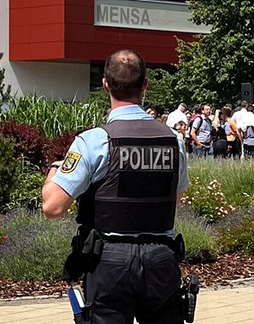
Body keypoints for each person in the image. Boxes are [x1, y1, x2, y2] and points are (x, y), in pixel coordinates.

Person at [42, 49, 189, 323]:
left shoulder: (93, 141)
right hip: (160, 258)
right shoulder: (173, 140)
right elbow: (175, 198)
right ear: (145, 85)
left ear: (106, 84)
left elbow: (52, 207)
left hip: (109, 261)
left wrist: (54, 171)